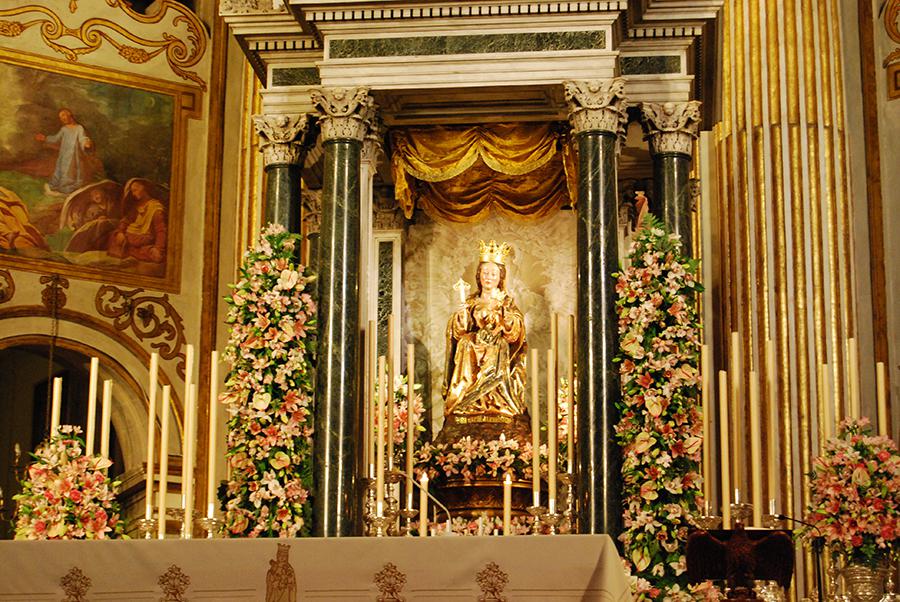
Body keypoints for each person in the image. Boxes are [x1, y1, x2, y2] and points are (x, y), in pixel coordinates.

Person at [441, 240, 528, 423]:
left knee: (499, 345)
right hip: (473, 345)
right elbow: (458, 332)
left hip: (497, 346)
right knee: (465, 342)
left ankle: (499, 400)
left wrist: (504, 320)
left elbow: (516, 331)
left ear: (500, 277)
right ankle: (466, 398)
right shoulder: (471, 301)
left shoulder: (507, 302)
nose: (488, 277)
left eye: (493, 274)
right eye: (485, 273)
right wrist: (461, 317)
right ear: (478, 275)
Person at [35, 109, 99, 196]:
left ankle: (68, 189)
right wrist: (45, 138)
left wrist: (86, 143)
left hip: (74, 156)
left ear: (70, 116)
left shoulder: (79, 128)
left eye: (63, 116)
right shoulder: (64, 129)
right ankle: (59, 187)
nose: (62, 119)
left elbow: (82, 138)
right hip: (64, 154)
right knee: (61, 170)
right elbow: (56, 138)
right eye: (61, 118)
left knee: (71, 172)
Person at [107, 178, 167, 263]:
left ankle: (146, 251)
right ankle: (137, 251)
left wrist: (159, 249)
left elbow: (161, 230)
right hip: (132, 235)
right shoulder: (136, 206)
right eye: (132, 191)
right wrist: (120, 232)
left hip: (144, 237)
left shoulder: (155, 207)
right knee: (114, 235)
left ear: (143, 188)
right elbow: (126, 220)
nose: (133, 194)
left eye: (135, 190)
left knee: (151, 253)